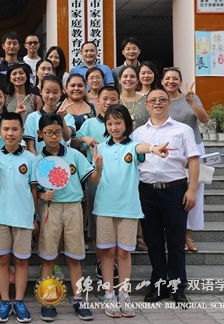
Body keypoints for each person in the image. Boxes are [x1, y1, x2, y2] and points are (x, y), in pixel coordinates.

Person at [93, 104, 171, 318]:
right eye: (110, 123)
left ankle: (124, 294)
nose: (114, 127)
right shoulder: (101, 148)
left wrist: (154, 148)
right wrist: (97, 166)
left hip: (128, 208)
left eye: (118, 123)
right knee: (107, 253)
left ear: (126, 124)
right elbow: (95, 179)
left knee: (124, 252)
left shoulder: (133, 146)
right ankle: (109, 294)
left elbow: (142, 148)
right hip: (105, 207)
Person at [132, 89, 199, 306]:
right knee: (154, 242)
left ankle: (178, 288)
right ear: (147, 105)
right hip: (147, 191)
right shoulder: (138, 133)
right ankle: (159, 285)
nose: (158, 103)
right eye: (153, 100)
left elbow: (193, 160)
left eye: (162, 100)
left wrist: (192, 189)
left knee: (176, 242)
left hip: (175, 191)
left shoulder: (183, 129)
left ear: (169, 104)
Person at [36, 113, 99, 321]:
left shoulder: (74, 155)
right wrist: (42, 196)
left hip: (73, 207)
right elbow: (34, 190)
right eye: (49, 133)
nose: (54, 137)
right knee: (48, 256)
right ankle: (48, 301)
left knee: (74, 256)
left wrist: (98, 167)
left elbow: (93, 179)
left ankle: (79, 299)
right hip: (50, 209)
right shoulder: (38, 160)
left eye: (57, 132)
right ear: (40, 134)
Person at [0, 112, 37, 323]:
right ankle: (5, 301)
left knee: (21, 261)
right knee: (2, 260)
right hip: (0, 217)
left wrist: (35, 216)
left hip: (23, 217)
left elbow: (34, 189)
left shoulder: (30, 158)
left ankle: (20, 301)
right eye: (6, 129)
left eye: (15, 129)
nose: (10, 133)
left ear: (22, 131)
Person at [72, 86, 120, 278]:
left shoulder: (122, 124)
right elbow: (73, 142)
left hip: (118, 179)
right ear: (97, 101)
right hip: (95, 177)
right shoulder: (90, 123)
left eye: (113, 99)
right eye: (105, 98)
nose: (108, 102)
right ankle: (102, 260)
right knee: (95, 219)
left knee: (116, 219)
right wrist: (84, 138)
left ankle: (115, 259)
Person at [162, 67, 209, 253]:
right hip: (172, 151)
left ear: (180, 81)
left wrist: (191, 102)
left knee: (194, 191)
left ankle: (187, 236)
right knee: (174, 192)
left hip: (194, 149)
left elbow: (204, 119)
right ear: (162, 81)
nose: (171, 81)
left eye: (175, 78)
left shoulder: (191, 97)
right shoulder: (160, 100)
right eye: (167, 78)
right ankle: (175, 235)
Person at [24, 75, 74, 156]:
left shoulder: (68, 116)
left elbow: (67, 137)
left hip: (63, 161)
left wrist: (62, 118)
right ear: (41, 91)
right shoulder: (32, 117)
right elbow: (30, 147)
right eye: (47, 92)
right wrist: (39, 161)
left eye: (55, 92)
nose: (51, 96)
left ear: (61, 92)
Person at [119, 65, 149, 129]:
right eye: (125, 76)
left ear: (137, 80)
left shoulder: (146, 101)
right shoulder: (114, 101)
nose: (128, 79)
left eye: (132, 76)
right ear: (119, 80)